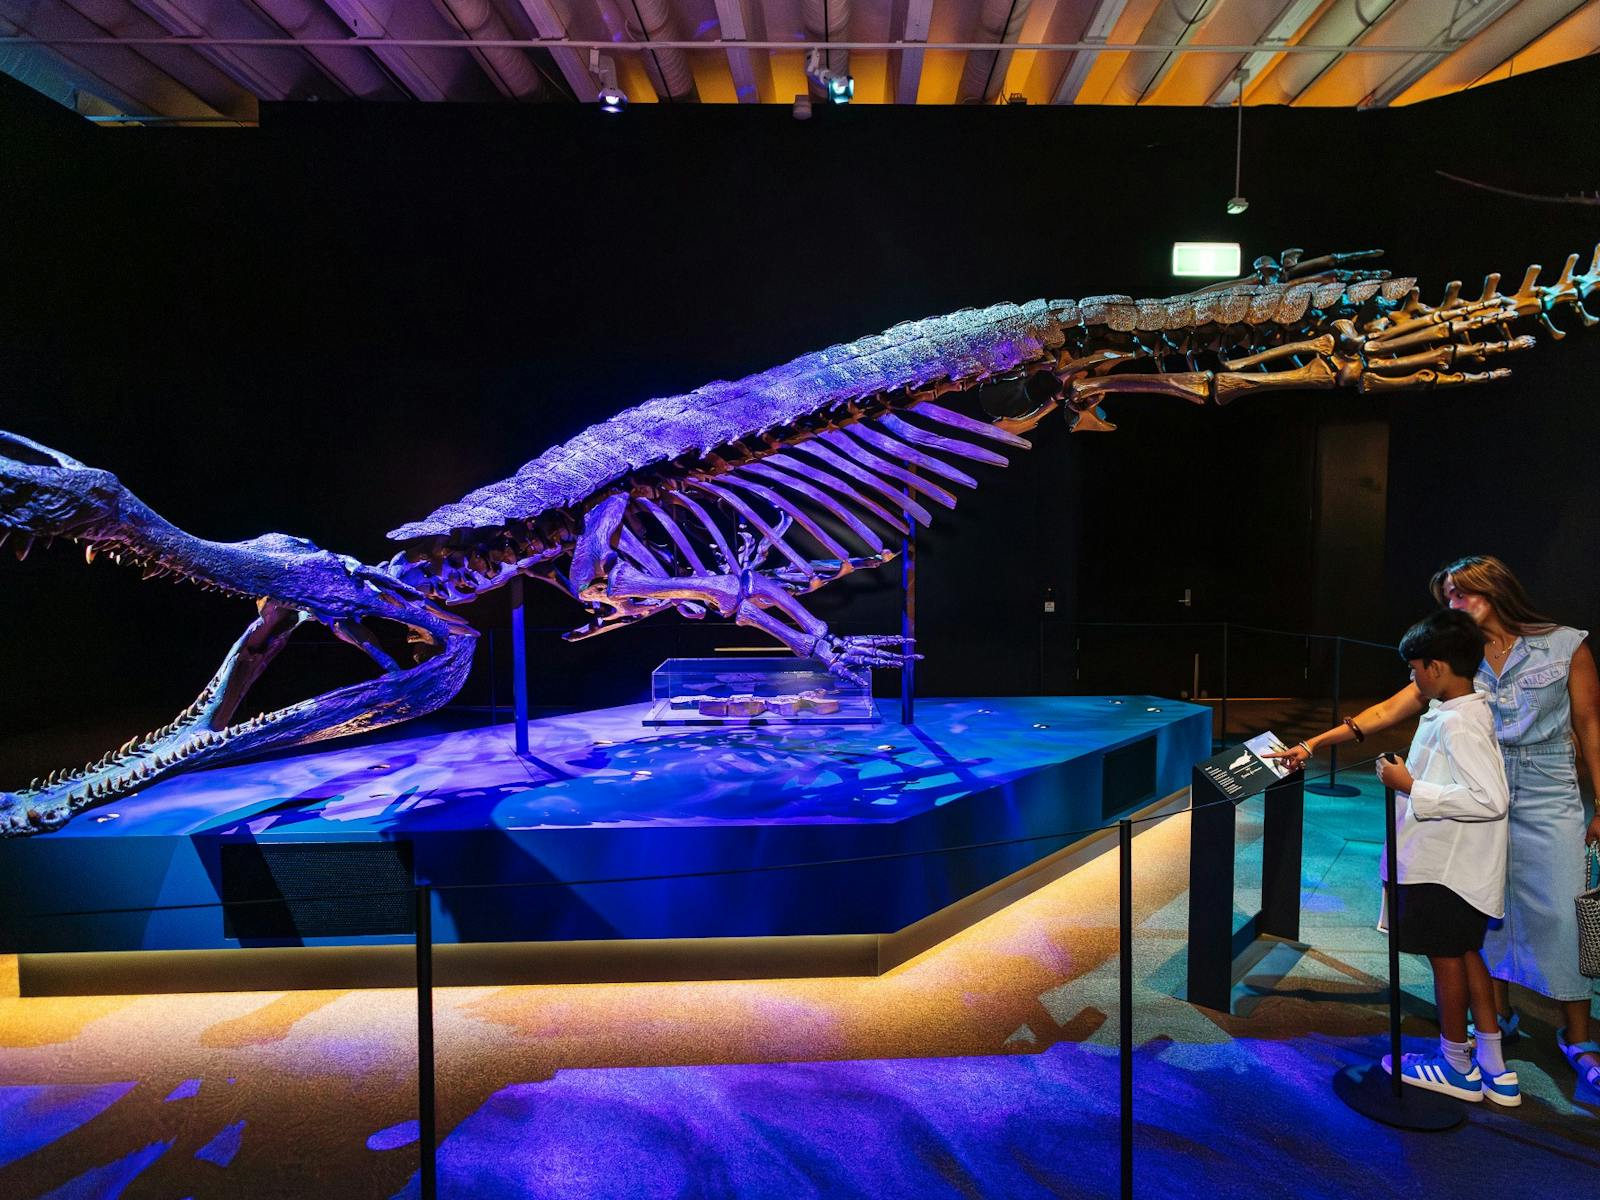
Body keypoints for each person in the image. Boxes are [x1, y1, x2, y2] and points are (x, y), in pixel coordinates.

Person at [1277, 555, 1600, 1093]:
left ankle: (1579, 1035)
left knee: (1560, 914)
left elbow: (1590, 725)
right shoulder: (1452, 660)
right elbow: (1384, 712)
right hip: (1471, 801)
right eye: (1446, 596)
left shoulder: (1565, 645)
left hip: (1546, 793)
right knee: (1480, 915)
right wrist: (1314, 743)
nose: (1451, 604)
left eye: (1459, 593)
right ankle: (1492, 1024)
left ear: (1493, 590)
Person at [1371, 609, 1513, 1102]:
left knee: (1446, 958)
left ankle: (1456, 1064)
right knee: (1468, 952)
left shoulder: (1460, 722)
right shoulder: (1462, 711)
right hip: (1457, 869)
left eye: (1414, 669)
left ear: (1435, 667)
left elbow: (1491, 798)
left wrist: (1410, 785)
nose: (1412, 679)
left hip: (1447, 871)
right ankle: (1493, 1062)